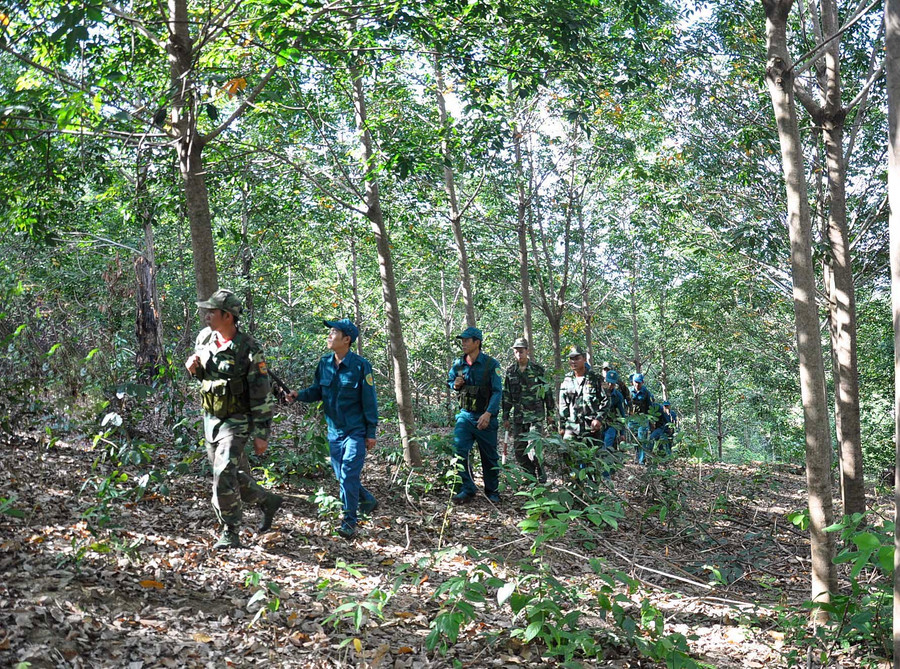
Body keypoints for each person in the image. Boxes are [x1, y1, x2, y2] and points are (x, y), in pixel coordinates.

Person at [185, 289, 283, 550]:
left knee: (222, 474)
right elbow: (206, 377)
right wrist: (193, 369)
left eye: (212, 312)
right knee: (229, 473)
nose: (207, 316)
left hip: (238, 421)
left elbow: (262, 393)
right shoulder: (204, 339)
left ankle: (230, 532)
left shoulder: (248, 349)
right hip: (211, 419)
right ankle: (266, 500)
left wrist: (262, 433)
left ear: (227, 316)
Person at [290, 319, 378, 539]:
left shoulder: (361, 366)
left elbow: (369, 400)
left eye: (334, 332)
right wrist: (297, 395)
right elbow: (316, 391)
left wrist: (371, 432)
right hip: (334, 432)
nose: (329, 336)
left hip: (355, 431)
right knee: (342, 476)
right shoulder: (325, 363)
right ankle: (367, 499)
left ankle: (349, 522)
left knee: (348, 475)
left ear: (346, 339)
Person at [447, 326, 503, 503]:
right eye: (462, 341)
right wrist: (455, 384)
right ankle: (467, 488)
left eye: (467, 340)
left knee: (489, 456)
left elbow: (497, 391)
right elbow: (450, 381)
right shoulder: (459, 364)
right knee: (459, 450)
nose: (463, 344)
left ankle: (492, 491)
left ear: (477, 342)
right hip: (465, 416)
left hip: (485, 417)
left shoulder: (491, 364)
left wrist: (488, 413)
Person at [502, 338, 555, 482]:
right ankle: (530, 476)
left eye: (521, 351)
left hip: (535, 416)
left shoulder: (538, 370)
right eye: (516, 351)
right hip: (519, 417)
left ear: (527, 351)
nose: (519, 354)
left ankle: (541, 474)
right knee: (519, 450)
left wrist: (550, 413)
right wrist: (505, 416)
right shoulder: (511, 371)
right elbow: (507, 395)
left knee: (535, 448)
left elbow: (547, 392)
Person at [558, 346, 610, 478]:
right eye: (571, 359)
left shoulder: (596, 378)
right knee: (569, 457)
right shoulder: (567, 380)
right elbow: (563, 404)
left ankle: (593, 486)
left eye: (577, 358)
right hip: (572, 427)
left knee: (592, 462)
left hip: (591, 428)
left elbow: (606, 400)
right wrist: (562, 425)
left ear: (584, 359)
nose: (573, 361)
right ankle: (575, 485)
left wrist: (599, 418)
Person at [601, 369, 627, 473]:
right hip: (599, 423)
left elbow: (622, 414)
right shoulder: (599, 392)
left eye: (612, 383)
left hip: (611, 424)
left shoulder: (618, 396)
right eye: (608, 382)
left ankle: (606, 473)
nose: (610, 385)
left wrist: (622, 432)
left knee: (608, 446)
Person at [629, 373, 655, 464]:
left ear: (642, 382)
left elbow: (650, 407)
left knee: (642, 438)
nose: (637, 384)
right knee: (634, 438)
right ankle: (637, 456)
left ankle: (642, 460)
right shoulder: (629, 391)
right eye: (636, 382)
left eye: (639, 382)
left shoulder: (646, 393)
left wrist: (651, 421)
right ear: (632, 382)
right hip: (632, 419)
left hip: (643, 418)